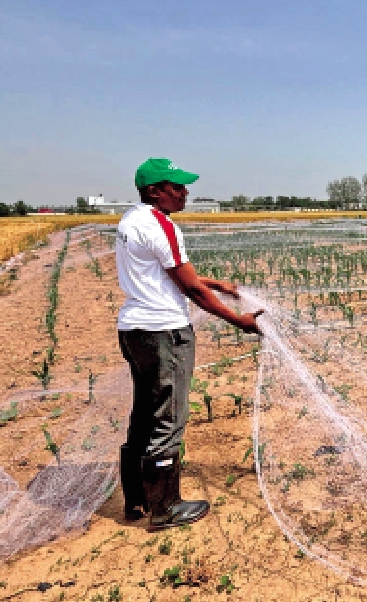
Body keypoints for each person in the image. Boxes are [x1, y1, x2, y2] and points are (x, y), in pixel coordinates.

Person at [116, 158, 264, 530]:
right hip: (163, 332)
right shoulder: (161, 226)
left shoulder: (132, 220)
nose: (185, 193)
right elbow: (191, 289)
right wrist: (239, 321)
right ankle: (165, 508)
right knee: (169, 417)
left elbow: (168, 273)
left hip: (134, 329)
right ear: (154, 191)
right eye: (176, 187)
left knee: (145, 411)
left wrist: (219, 285)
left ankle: (136, 499)